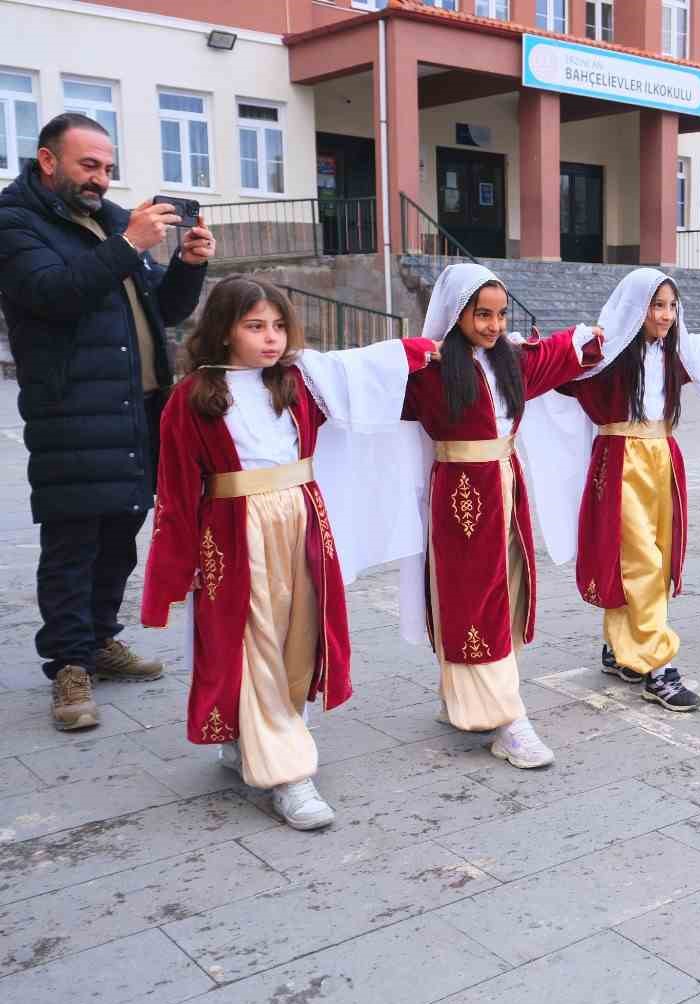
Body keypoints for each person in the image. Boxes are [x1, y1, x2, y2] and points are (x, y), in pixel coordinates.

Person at [140, 277, 438, 829]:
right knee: (252, 644)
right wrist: (176, 571)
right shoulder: (193, 398)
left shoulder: (298, 383)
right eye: (255, 326)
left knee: (299, 637)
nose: (271, 338)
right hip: (234, 534)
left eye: (278, 326)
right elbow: (177, 489)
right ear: (222, 330)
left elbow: (360, 371)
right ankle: (288, 774)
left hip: (301, 522)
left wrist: (420, 350)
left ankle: (256, 738)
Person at [0, 112, 214, 730]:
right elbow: (54, 294)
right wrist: (129, 245)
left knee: (121, 533)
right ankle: (68, 668)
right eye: (88, 166)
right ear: (48, 161)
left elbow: (165, 311)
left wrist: (189, 265)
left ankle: (98, 640)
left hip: (138, 409)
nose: (100, 179)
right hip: (71, 409)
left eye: (107, 169)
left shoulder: (115, 220)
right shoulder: (15, 222)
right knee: (72, 539)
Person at [400, 264, 602, 767]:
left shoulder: (509, 360)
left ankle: (469, 698)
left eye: (500, 314)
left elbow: (554, 355)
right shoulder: (428, 371)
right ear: (455, 314)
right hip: (462, 495)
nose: (493, 325)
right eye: (481, 315)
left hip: (506, 485)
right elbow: (364, 383)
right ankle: (507, 719)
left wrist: (591, 340)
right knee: (473, 596)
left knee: (503, 591)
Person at [550, 268, 700, 711]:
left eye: (673, 306)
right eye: (657, 305)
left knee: (654, 554)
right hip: (620, 461)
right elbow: (559, 372)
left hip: (663, 458)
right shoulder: (609, 358)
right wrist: (581, 342)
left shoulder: (675, 355)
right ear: (637, 308)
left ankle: (619, 647)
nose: (667, 315)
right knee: (642, 561)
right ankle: (659, 665)